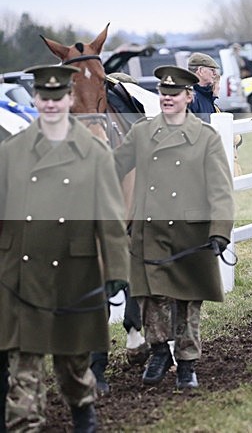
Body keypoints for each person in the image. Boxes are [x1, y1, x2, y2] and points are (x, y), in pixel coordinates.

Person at [0, 65, 129, 432]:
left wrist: (117, 271)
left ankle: (82, 409)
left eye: (59, 97)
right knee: (23, 367)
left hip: (75, 272)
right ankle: (26, 422)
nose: (52, 104)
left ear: (71, 98)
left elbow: (110, 217)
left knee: (72, 365)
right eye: (45, 97)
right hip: (21, 273)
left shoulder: (94, 152)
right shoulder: (12, 150)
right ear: (36, 100)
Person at [114, 65, 234, 389]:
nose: (167, 99)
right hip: (149, 228)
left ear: (189, 96)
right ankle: (158, 350)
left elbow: (221, 189)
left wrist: (220, 230)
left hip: (189, 231)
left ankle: (187, 362)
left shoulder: (205, 138)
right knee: (151, 297)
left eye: (174, 94)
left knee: (187, 301)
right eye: (163, 94)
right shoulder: (141, 132)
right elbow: (113, 166)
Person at [187, 52, 220, 123]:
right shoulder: (191, 98)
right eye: (212, 70)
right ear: (200, 71)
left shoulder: (205, 95)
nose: (215, 74)